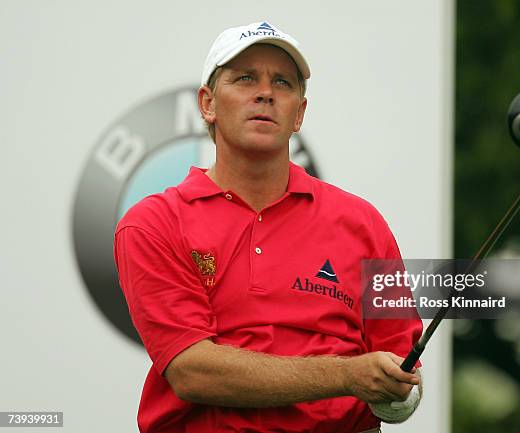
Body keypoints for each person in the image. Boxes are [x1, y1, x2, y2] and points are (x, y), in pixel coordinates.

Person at [114, 21, 423, 433]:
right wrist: (349, 376)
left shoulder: (364, 223)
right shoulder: (153, 224)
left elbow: (404, 368)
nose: (265, 92)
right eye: (245, 78)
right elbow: (193, 372)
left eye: (282, 82)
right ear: (207, 103)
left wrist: (397, 395)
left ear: (299, 113)